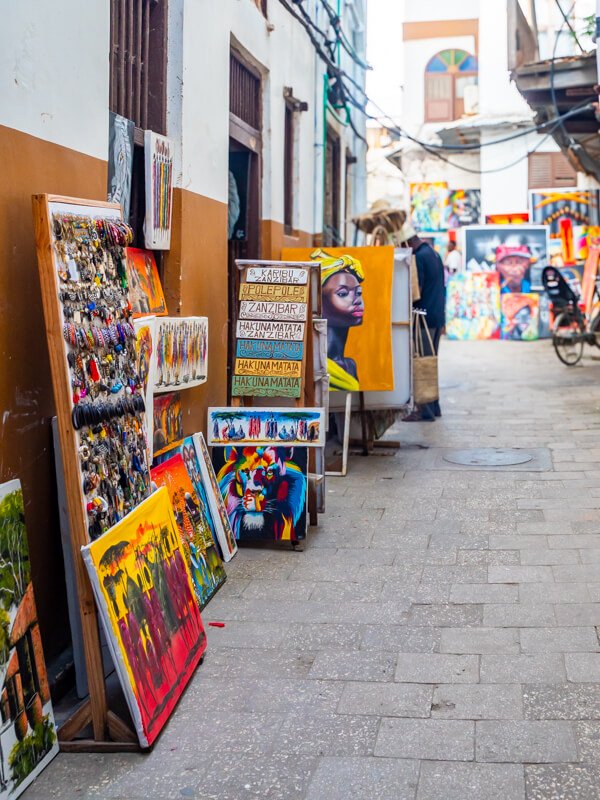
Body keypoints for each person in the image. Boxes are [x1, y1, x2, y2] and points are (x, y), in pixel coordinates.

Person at [399, 221, 445, 421]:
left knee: (421, 362)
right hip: (435, 316)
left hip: (423, 317)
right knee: (430, 361)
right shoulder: (433, 253)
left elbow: (415, 292)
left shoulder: (419, 257)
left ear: (408, 242)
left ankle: (424, 410)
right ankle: (434, 406)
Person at [311, 249, 365, 391]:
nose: (357, 300)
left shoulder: (350, 365)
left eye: (359, 292)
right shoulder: (314, 364)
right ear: (319, 303)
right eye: (343, 293)